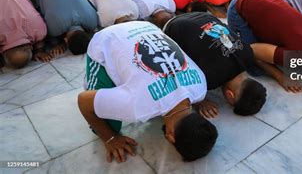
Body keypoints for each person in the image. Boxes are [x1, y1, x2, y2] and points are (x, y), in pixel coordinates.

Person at [78, 21, 218, 163]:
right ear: (170, 137)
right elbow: (83, 102)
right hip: (106, 39)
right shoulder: (136, 107)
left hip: (146, 26)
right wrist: (110, 138)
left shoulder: (201, 87)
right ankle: (93, 78)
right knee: (107, 124)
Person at [163, 12, 267, 118]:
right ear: (230, 95)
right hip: (172, 28)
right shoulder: (210, 81)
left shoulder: (248, 54)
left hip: (201, 16)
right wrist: (199, 102)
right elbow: (181, 82)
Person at [227, 0, 302, 92]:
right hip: (239, 7)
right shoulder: (296, 56)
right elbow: (253, 49)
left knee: (276, 58)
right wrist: (280, 76)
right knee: (255, 69)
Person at [30, 0, 98, 56]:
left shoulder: (93, 22)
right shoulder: (53, 29)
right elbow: (52, 36)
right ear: (65, 40)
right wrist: (56, 43)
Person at [0, 0, 49, 67]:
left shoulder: (38, 29)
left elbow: (39, 38)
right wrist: (39, 50)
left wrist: (39, 50)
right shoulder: (37, 28)